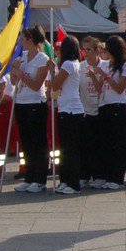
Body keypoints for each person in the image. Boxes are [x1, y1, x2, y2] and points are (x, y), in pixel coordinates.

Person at [10, 26, 52, 192]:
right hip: (21, 101)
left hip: (35, 103)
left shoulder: (43, 59)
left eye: (24, 38)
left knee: (38, 142)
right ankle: (29, 176)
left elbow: (36, 85)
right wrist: (15, 70)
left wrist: (21, 75)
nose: (21, 41)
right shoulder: (23, 57)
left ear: (32, 40)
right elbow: (14, 81)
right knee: (26, 142)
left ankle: (40, 179)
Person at [88, 36, 126, 189]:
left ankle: (118, 178)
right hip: (104, 105)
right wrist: (95, 76)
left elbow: (120, 88)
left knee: (117, 143)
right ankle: (108, 176)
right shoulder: (106, 64)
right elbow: (100, 89)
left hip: (118, 106)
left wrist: (106, 76)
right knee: (105, 143)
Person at [48, 36, 88, 194]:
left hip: (70, 109)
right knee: (66, 148)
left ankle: (72, 182)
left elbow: (56, 85)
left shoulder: (68, 64)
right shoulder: (76, 64)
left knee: (69, 149)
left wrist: (52, 71)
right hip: (69, 108)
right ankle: (65, 180)